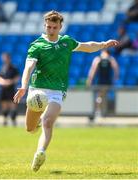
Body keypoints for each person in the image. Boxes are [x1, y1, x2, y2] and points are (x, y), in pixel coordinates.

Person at [13, 10, 119, 172]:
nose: (51, 30)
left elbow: (87, 47)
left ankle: (40, 153)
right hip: (37, 91)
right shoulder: (37, 45)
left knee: (48, 122)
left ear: (60, 26)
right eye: (48, 27)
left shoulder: (67, 42)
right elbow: (29, 67)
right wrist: (24, 86)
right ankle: (37, 122)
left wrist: (104, 44)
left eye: (54, 27)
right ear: (45, 26)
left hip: (57, 91)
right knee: (30, 129)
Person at [86, 50, 119, 118]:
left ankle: (99, 111)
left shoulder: (98, 59)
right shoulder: (111, 59)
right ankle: (102, 112)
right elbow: (116, 68)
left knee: (100, 96)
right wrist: (116, 77)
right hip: (107, 81)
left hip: (100, 81)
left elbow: (93, 70)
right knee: (103, 96)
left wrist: (90, 79)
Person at [0, 52, 20, 126]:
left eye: (6, 58)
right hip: (3, 89)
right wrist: (2, 82)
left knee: (13, 105)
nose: (4, 59)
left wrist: (10, 82)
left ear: (9, 58)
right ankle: (5, 120)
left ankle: (14, 121)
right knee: (4, 105)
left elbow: (17, 77)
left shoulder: (14, 68)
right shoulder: (2, 68)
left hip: (11, 89)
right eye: (3, 58)